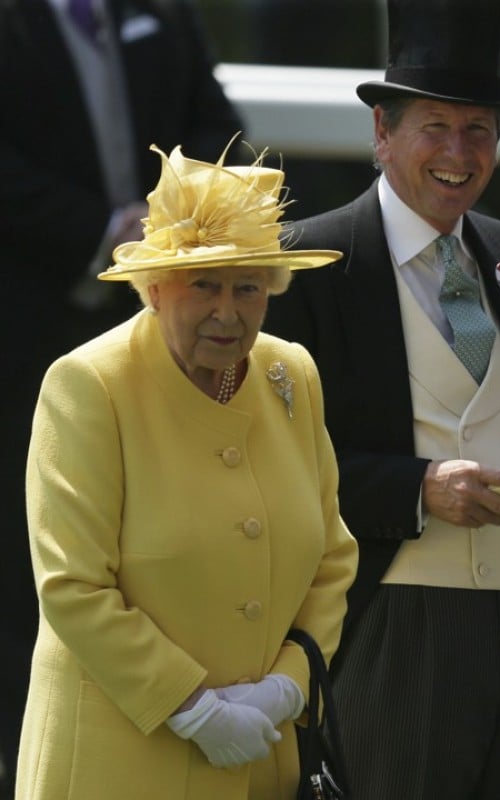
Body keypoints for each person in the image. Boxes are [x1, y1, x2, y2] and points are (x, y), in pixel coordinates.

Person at [262, 0, 500, 796]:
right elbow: (275, 468)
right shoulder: (308, 263)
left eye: (480, 130)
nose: (459, 153)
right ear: (382, 134)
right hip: (396, 622)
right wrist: (417, 489)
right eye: (435, 127)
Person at [19, 141, 358, 799]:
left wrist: (286, 687)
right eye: (203, 284)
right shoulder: (90, 385)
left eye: (248, 287)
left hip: (263, 758)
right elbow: (72, 586)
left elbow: (333, 560)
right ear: (153, 288)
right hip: (119, 764)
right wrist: (192, 706)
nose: (227, 312)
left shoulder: (291, 374)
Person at [0, 2, 243, 788]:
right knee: (27, 571)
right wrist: (102, 231)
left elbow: (215, 128)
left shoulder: (161, 12)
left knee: (158, 551)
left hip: (157, 338)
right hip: (20, 335)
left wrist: (170, 234)